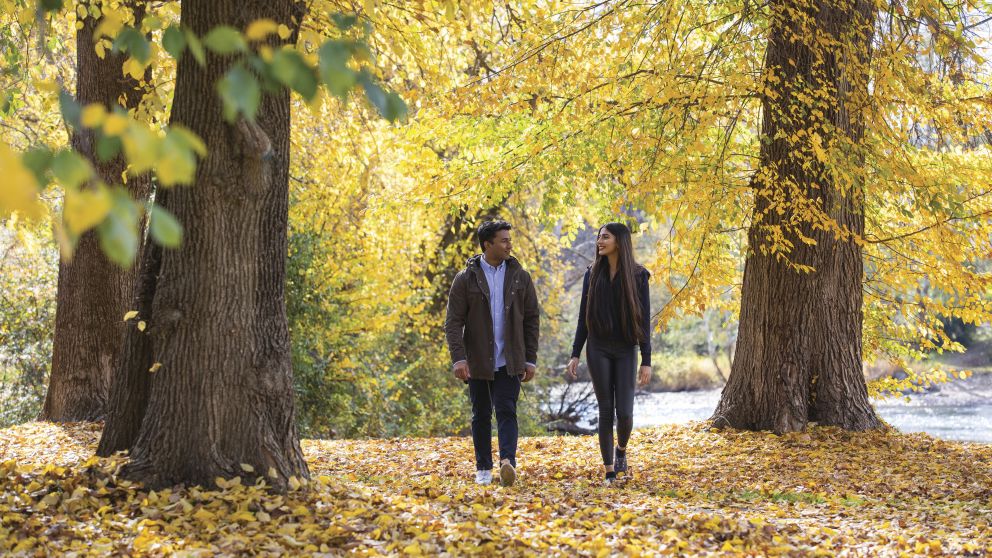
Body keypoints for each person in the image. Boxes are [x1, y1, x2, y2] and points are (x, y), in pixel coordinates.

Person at [445, 220, 540, 486]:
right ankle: (483, 468)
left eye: (509, 239)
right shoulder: (466, 278)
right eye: (504, 240)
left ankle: (507, 462)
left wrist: (530, 358)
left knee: (507, 410)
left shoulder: (520, 276)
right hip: (477, 360)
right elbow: (453, 321)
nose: (510, 244)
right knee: (481, 413)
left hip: (510, 358)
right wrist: (459, 358)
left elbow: (532, 319)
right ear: (488, 244)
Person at [566, 222, 652, 485]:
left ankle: (621, 451)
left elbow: (644, 321)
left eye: (605, 237)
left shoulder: (638, 276)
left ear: (620, 242)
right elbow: (583, 317)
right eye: (598, 237)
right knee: (606, 409)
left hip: (626, 349)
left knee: (624, 413)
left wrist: (646, 360)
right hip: (598, 347)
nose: (599, 242)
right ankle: (609, 471)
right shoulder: (592, 273)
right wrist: (575, 353)